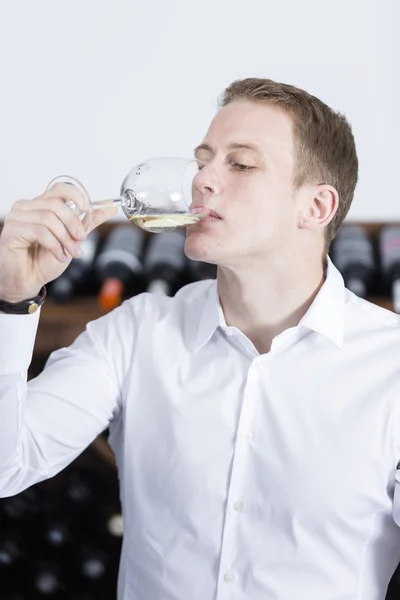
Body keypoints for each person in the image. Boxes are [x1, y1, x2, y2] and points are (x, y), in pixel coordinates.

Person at [0, 77, 399, 600]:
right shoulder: (135, 333)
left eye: (241, 164)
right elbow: (9, 464)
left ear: (316, 208)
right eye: (203, 159)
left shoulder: (390, 365)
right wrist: (12, 300)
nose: (203, 179)